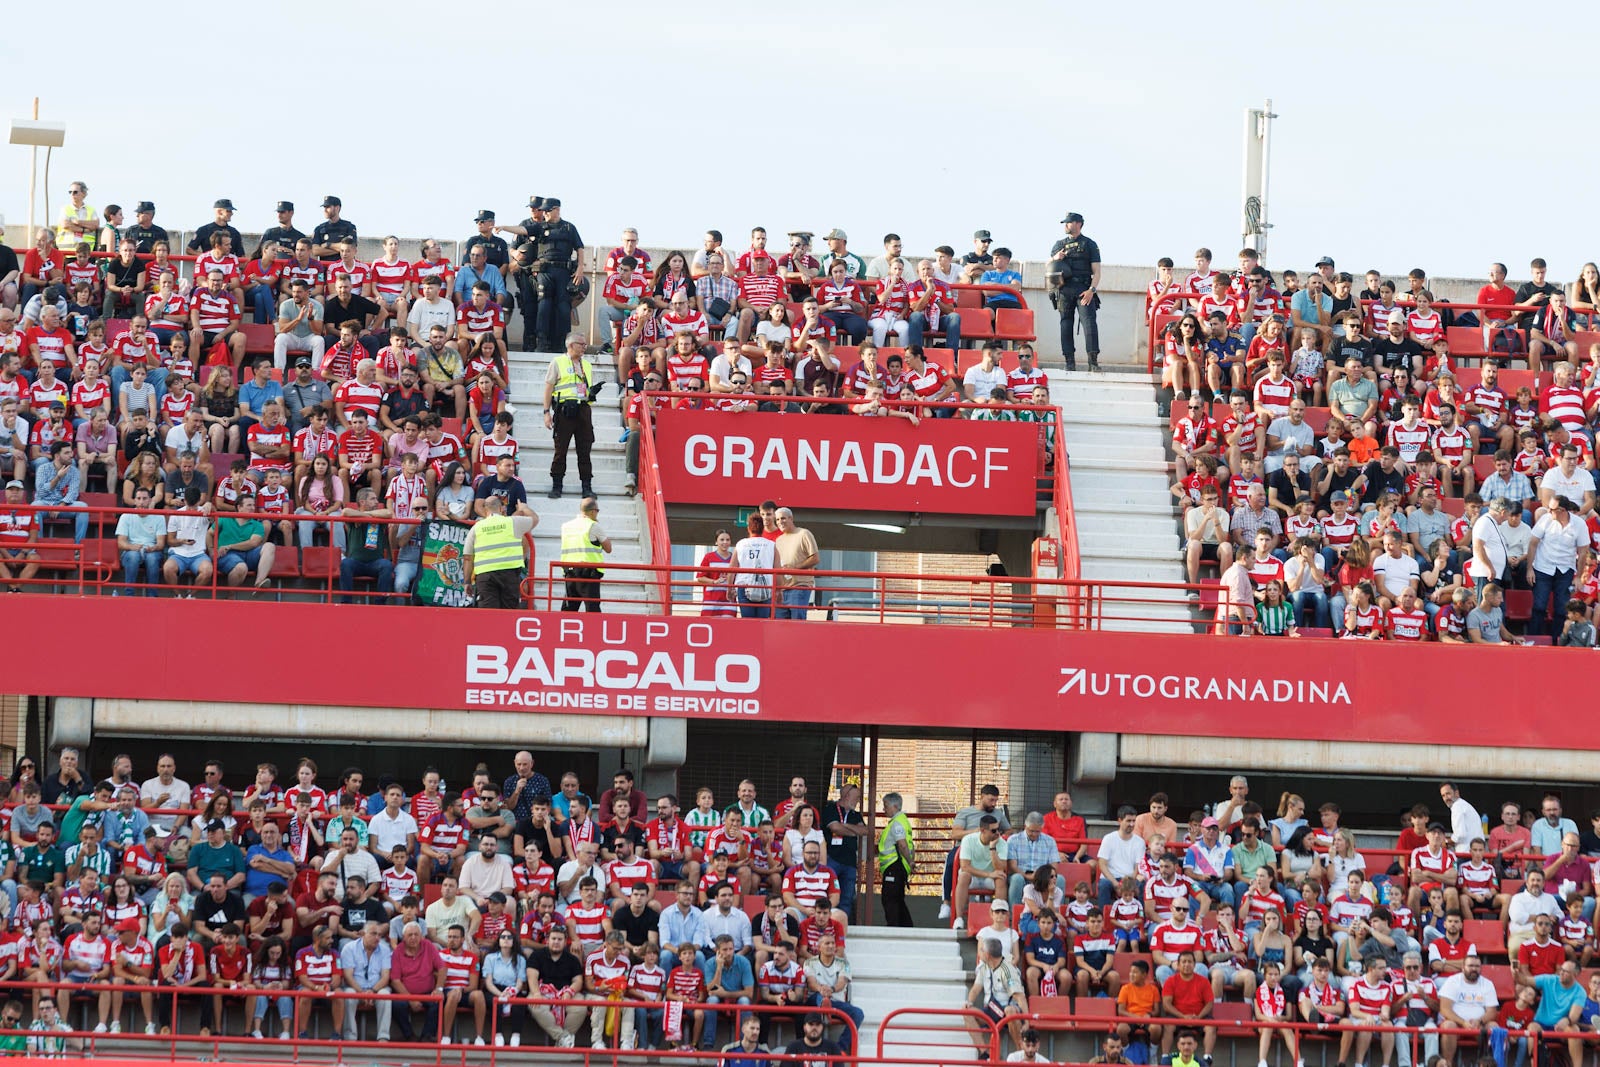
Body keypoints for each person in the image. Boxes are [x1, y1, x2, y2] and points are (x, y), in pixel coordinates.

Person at [543, 332, 599, 499]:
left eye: (584, 345)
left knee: (585, 449)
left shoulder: (587, 365)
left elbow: (584, 387)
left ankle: (586, 486)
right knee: (561, 449)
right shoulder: (558, 362)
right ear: (571, 345)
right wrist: (546, 412)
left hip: (583, 410)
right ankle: (557, 485)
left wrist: (592, 393)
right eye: (581, 344)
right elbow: (548, 388)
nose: (584, 347)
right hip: (564, 409)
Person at [462, 494, 539, 610]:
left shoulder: (476, 528)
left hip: (485, 575)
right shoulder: (512, 522)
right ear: (501, 508)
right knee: (509, 613)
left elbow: (468, 557)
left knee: (488, 616)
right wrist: (524, 508)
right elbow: (535, 519)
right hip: (510, 574)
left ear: (485, 509)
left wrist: (467, 582)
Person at [1048, 212, 1101, 371]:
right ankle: (1069, 362)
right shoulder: (1059, 244)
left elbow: (1097, 271)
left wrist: (1091, 290)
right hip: (1064, 289)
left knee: (1089, 323)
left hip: (1084, 289)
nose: (1065, 225)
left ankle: (1093, 362)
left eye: (1068, 223)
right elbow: (1048, 267)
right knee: (1065, 324)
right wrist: (1055, 258)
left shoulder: (1089, 244)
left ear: (1078, 224)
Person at [558, 496, 611, 613]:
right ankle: (593, 631)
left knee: (568, 610)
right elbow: (608, 548)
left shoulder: (566, 526)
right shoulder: (593, 526)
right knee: (592, 611)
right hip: (588, 574)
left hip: (569, 572)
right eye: (597, 511)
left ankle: (561, 630)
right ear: (592, 511)